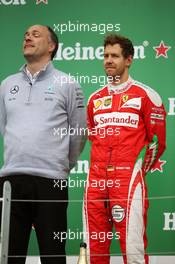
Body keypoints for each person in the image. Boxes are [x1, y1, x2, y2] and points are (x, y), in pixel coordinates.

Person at [0, 24, 86, 264]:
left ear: (51, 46)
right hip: (10, 181)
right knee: (9, 256)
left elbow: (78, 133)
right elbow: (3, 127)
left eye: (35, 35)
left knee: (52, 255)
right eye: (25, 34)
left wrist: (60, 166)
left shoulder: (68, 84)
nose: (27, 37)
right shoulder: (7, 85)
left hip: (52, 181)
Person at [84, 34, 166, 264]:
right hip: (96, 181)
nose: (108, 61)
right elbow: (93, 137)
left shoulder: (147, 95)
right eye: (106, 56)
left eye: (115, 56)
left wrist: (135, 171)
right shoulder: (94, 99)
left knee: (133, 250)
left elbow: (157, 143)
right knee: (94, 249)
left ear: (128, 60)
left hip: (127, 180)